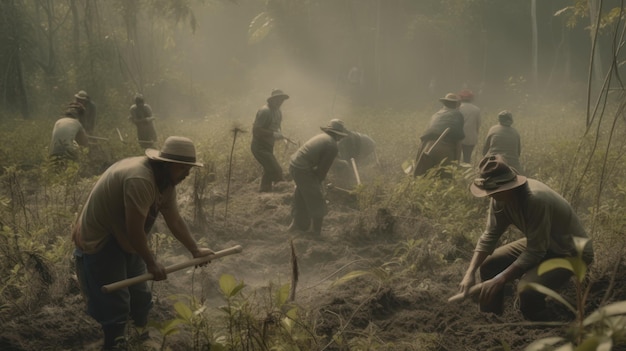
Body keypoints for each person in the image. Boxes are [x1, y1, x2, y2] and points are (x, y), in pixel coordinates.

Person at [72, 136, 214, 350]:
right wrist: (151, 262)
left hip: (125, 236)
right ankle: (115, 343)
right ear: (170, 165)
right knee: (116, 301)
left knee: (140, 292)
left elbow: (174, 219)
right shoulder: (141, 179)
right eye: (184, 169)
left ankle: (140, 335)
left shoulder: (166, 182)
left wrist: (195, 250)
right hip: (101, 236)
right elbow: (134, 230)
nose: (187, 174)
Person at [459, 155, 594, 321]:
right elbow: (490, 235)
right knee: (489, 265)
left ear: (508, 186)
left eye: (493, 192)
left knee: (527, 290)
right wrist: (470, 272)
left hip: (571, 251)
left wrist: (500, 279)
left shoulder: (535, 199)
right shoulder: (499, 198)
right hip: (541, 242)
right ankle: (490, 319)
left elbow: (535, 252)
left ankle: (544, 326)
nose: (490, 196)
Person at [288, 119, 348, 235]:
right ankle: (316, 232)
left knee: (301, 193)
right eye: (340, 136)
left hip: (295, 165)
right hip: (302, 169)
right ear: (338, 134)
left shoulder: (322, 137)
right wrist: (318, 185)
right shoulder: (332, 146)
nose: (341, 138)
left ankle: (295, 225)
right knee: (317, 199)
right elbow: (322, 171)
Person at [413, 93, 465, 176]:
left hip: (427, 147)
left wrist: (418, 160)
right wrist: (457, 163)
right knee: (445, 178)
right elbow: (458, 141)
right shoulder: (457, 115)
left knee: (423, 176)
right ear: (456, 104)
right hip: (445, 148)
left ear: (444, 103)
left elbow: (424, 138)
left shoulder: (435, 115)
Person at [251, 89, 290, 192]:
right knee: (276, 170)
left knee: (268, 168)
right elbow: (256, 130)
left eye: (281, 100)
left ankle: (264, 191)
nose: (280, 102)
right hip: (259, 146)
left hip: (269, 145)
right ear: (271, 100)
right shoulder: (265, 111)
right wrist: (272, 134)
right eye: (277, 100)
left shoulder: (278, 111)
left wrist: (281, 135)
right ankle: (282, 191)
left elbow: (277, 127)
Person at [329, 119, 376, 187]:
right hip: (367, 143)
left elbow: (349, 159)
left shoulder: (346, 140)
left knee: (355, 165)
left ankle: (357, 182)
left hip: (367, 146)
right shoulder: (344, 135)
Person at [482, 110, 523, 175]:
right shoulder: (515, 132)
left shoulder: (493, 129)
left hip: (494, 162)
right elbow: (518, 153)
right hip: (513, 165)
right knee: (523, 180)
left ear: (499, 120)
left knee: (480, 176)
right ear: (511, 120)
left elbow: (485, 149)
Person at [458, 89, 481, 164]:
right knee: (467, 159)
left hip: (458, 137)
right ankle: (466, 174)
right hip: (471, 138)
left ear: (460, 98)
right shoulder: (476, 110)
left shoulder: (458, 108)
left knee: (456, 159)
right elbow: (478, 125)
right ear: (471, 99)